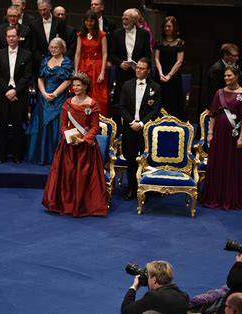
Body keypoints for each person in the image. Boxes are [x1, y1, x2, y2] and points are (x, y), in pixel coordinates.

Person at [42, 72, 108, 217]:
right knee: (67, 177)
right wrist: (70, 137)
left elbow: (94, 127)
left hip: (86, 147)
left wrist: (84, 140)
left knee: (83, 178)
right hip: (68, 146)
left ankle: (83, 206)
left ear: (85, 86)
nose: (75, 88)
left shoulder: (92, 104)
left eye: (78, 85)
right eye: (74, 85)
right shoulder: (68, 102)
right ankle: (65, 205)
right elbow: (63, 124)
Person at [201, 67, 242, 209]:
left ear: (237, 76)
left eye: (229, 75)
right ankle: (215, 195)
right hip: (219, 134)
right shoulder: (219, 93)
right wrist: (210, 133)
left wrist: (241, 138)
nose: (227, 78)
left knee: (232, 163)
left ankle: (230, 197)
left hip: (233, 136)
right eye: (225, 76)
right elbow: (212, 114)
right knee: (217, 162)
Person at [117, 57, 161, 201]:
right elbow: (121, 106)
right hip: (130, 128)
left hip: (145, 129)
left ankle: (146, 189)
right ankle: (131, 188)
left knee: (145, 159)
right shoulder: (127, 85)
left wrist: (141, 124)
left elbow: (155, 110)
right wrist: (132, 122)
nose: (138, 70)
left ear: (148, 71)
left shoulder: (156, 87)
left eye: (142, 68)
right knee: (130, 159)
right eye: (137, 68)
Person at [26, 38, 72, 165]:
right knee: (42, 124)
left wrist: (55, 94)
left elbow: (68, 81)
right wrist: (44, 93)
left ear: (62, 48)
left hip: (59, 97)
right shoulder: (45, 60)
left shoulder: (67, 62)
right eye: (51, 47)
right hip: (44, 97)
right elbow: (40, 78)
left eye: (55, 47)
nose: (53, 49)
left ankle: (55, 157)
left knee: (56, 126)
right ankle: (41, 156)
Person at [0, 25, 33, 164]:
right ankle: (2, 155)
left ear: (18, 37)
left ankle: (17, 155)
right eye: (9, 36)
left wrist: (15, 91)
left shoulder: (27, 54)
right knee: (2, 126)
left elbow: (27, 75)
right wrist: (7, 91)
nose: (11, 38)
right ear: (6, 38)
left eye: (13, 36)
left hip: (19, 95)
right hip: (3, 94)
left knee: (17, 127)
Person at [110, 8, 151, 116]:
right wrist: (120, 63)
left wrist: (140, 65)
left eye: (127, 19)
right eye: (123, 18)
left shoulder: (144, 34)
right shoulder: (116, 33)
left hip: (138, 73)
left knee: (136, 100)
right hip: (122, 72)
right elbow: (112, 54)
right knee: (119, 101)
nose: (124, 21)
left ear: (134, 20)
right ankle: (118, 126)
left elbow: (147, 55)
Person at [121, 261, 189, 314]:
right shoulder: (183, 296)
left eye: (149, 277)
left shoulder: (154, 297)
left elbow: (126, 311)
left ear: (154, 279)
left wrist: (133, 287)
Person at [75, 10, 108, 117]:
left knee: (99, 95)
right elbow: (78, 54)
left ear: (96, 22)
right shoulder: (80, 35)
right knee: (84, 91)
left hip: (97, 67)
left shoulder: (102, 35)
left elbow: (105, 54)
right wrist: (76, 72)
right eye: (87, 21)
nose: (89, 23)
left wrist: (102, 72)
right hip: (83, 66)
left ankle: (98, 120)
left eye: (91, 21)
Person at [154, 16, 185, 120]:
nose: (167, 28)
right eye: (165, 26)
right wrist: (161, 73)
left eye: (169, 26)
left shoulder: (180, 42)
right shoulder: (159, 41)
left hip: (174, 76)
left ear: (174, 27)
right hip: (160, 75)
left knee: (174, 102)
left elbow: (179, 61)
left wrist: (169, 75)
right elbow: (157, 59)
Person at [30, 0, 67, 76]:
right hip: (40, 62)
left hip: (58, 62)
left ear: (50, 7)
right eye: (40, 10)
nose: (42, 12)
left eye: (44, 9)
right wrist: (43, 61)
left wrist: (57, 59)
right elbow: (34, 46)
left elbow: (64, 42)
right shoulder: (34, 24)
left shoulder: (60, 22)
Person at [206, 43, 239, 111]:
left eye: (237, 55)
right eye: (234, 56)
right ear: (225, 55)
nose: (237, 58)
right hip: (217, 107)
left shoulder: (227, 66)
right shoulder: (217, 69)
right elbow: (215, 93)